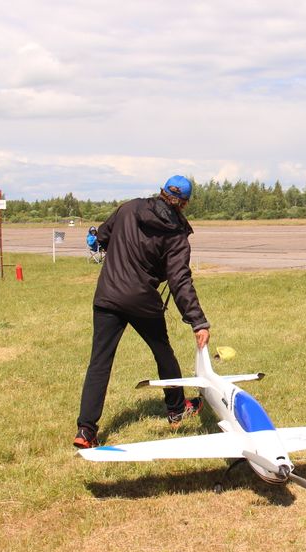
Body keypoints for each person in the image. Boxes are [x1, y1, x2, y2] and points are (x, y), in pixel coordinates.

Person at [74, 175, 210, 448]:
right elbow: (180, 280)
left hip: (108, 295)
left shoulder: (129, 208)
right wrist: (198, 321)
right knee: (163, 353)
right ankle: (176, 408)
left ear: (161, 191)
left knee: (99, 362)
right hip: (142, 302)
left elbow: (101, 236)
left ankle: (85, 431)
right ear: (184, 203)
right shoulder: (176, 233)